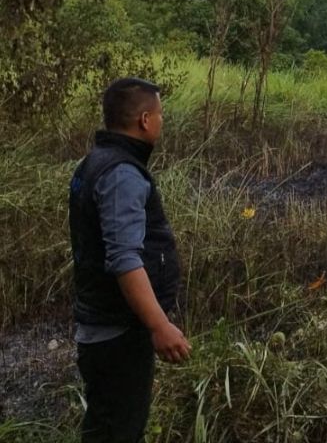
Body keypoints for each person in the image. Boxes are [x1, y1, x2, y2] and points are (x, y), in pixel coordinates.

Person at [69, 78, 191, 442]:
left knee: (108, 427)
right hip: (117, 331)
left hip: (107, 326)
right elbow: (124, 258)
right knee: (117, 432)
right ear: (144, 120)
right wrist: (159, 326)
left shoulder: (95, 162)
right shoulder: (121, 174)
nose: (162, 122)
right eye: (160, 115)